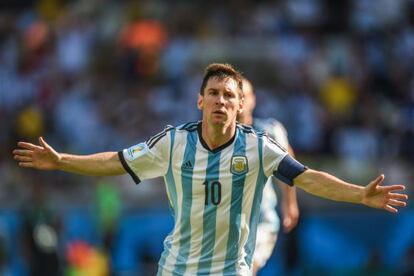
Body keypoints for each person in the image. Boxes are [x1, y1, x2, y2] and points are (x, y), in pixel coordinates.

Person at [13, 63, 408, 276]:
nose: (221, 100)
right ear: (199, 102)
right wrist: (63, 160)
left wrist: (358, 193)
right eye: (214, 94)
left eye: (229, 95)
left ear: (241, 106)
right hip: (178, 267)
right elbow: (117, 161)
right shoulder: (172, 142)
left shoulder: (257, 145)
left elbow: (307, 178)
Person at [237, 77, 298, 275]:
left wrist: (290, 202)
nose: (239, 102)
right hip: (225, 225)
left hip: (261, 220)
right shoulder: (211, 137)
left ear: (253, 99)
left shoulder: (269, 131)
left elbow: (289, 166)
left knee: (243, 271)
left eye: (243, 96)